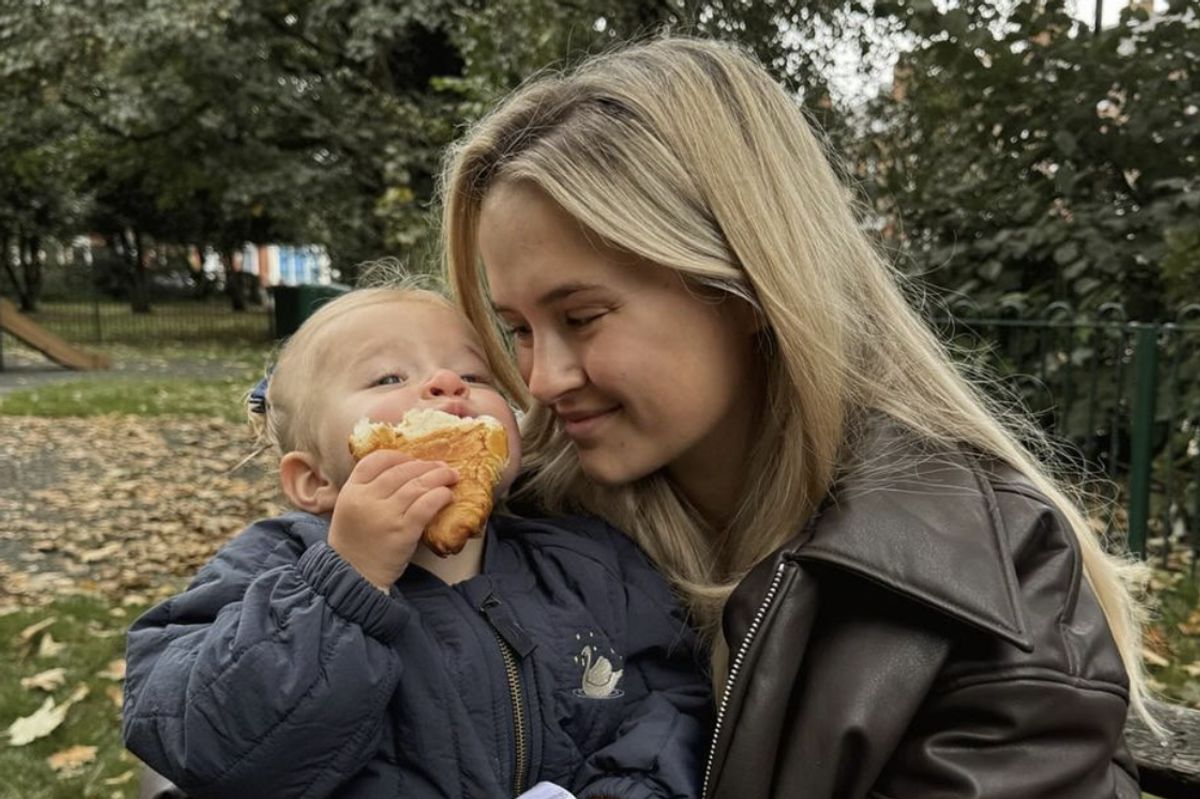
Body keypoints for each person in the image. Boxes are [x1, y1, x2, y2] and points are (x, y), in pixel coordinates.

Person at [442, 35, 1150, 799]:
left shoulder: (990, 585)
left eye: (582, 316)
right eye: (516, 329)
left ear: (745, 286)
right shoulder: (514, 525)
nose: (541, 380)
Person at [122, 283, 711, 799]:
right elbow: (199, 740)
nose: (448, 385)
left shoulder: (586, 563)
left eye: (476, 375)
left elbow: (672, 701)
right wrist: (345, 583)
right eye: (389, 377)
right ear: (315, 480)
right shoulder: (267, 570)